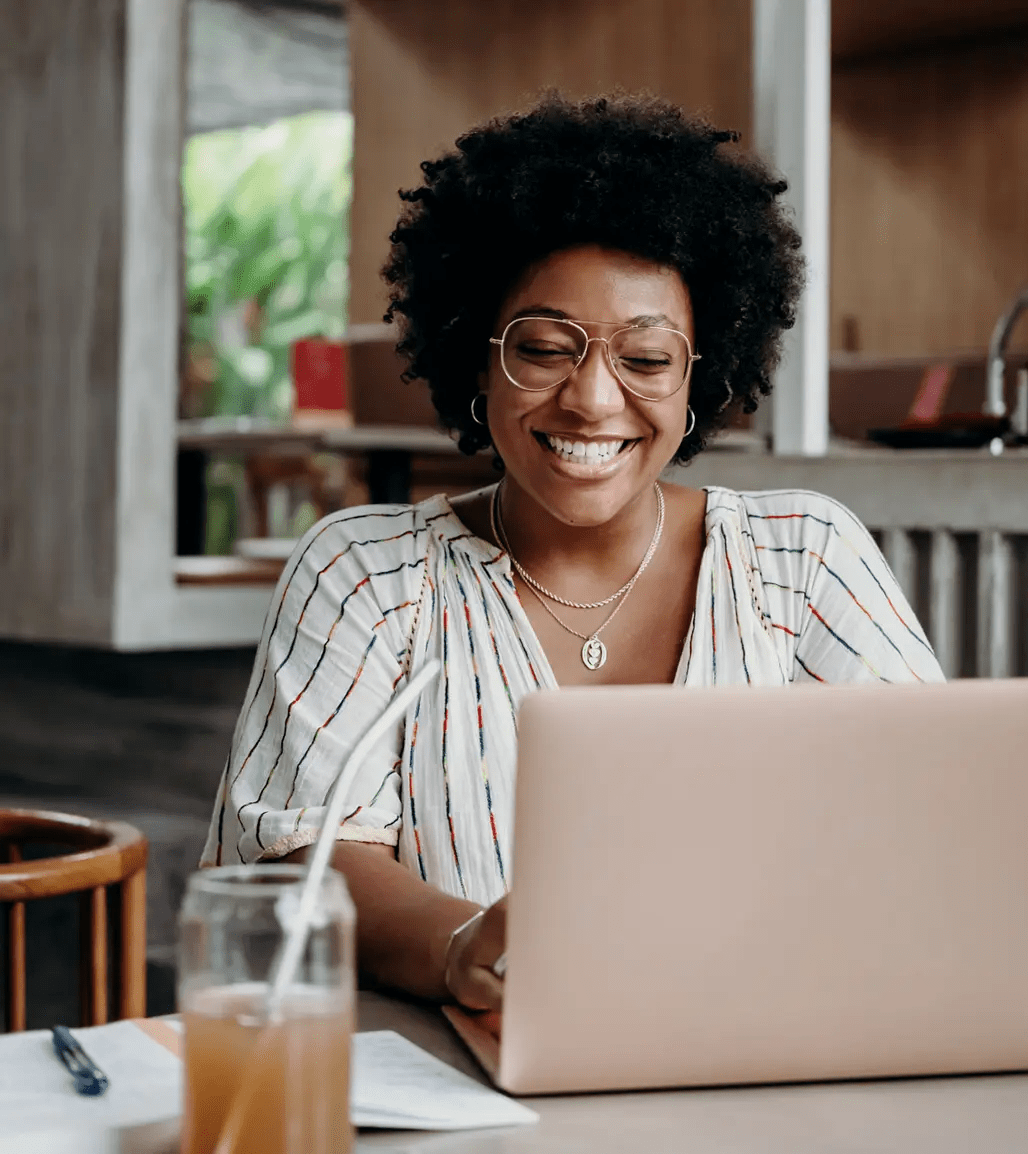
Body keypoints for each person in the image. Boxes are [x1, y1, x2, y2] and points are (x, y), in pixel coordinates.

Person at [201, 93, 943, 1027]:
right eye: (545, 348)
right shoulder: (365, 574)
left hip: (756, 1061)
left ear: (701, 375)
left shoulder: (804, 560)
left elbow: (932, 820)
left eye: (647, 358)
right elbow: (300, 857)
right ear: (476, 362)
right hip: (459, 1082)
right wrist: (460, 947)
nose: (593, 399)